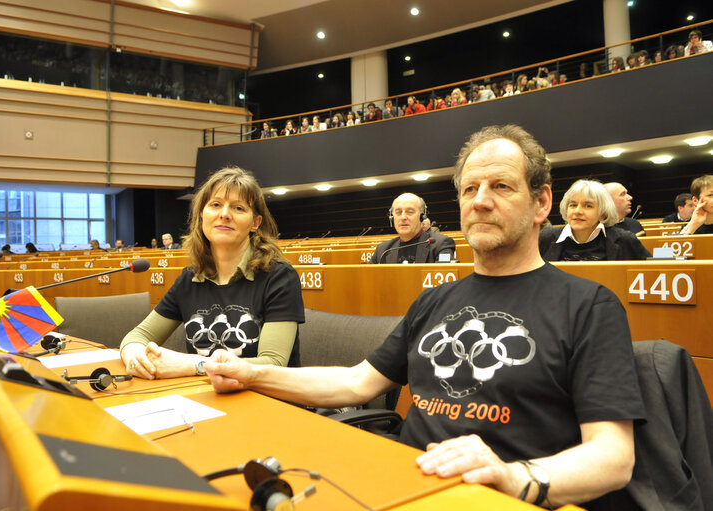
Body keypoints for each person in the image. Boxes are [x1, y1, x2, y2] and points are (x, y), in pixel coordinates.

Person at [203, 125, 644, 509]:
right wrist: (249, 375)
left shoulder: (589, 305)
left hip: (501, 499)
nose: (481, 202)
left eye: (502, 187)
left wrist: (515, 477)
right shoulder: (433, 302)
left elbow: (613, 457)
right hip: (404, 485)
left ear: (542, 202)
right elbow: (356, 384)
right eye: (470, 189)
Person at [120, 167, 304, 379]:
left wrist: (195, 365)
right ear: (201, 215)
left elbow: (272, 364)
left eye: (238, 208)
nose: (224, 214)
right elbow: (138, 336)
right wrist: (134, 354)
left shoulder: (279, 277)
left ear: (255, 223)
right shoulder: (190, 279)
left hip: (269, 403)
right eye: (215, 205)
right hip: (207, 400)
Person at [539, 180, 650, 261]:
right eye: (573, 205)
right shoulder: (546, 237)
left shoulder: (625, 240)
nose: (577, 211)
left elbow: (654, 273)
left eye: (588, 206)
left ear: (603, 213)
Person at [368, 193, 454, 264]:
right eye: (398, 212)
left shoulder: (441, 245)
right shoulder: (383, 249)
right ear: (392, 218)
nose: (403, 217)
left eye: (410, 212)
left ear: (422, 216)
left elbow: (444, 277)